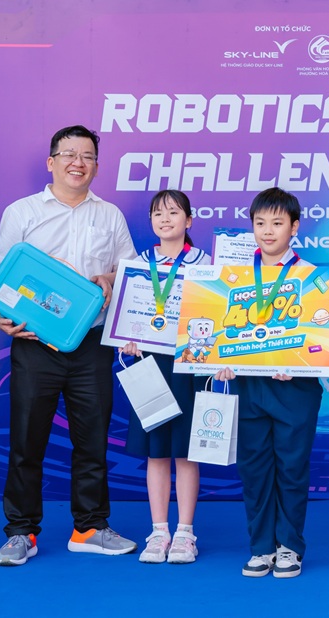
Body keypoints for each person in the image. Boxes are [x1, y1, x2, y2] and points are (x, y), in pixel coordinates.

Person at [0, 125, 138, 566]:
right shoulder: (22, 212)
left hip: (92, 343)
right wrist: (2, 315)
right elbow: (3, 274)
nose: (79, 163)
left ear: (96, 165)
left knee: (93, 440)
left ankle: (89, 527)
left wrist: (108, 278)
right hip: (36, 344)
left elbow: (127, 271)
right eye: (70, 154)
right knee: (26, 441)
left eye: (88, 156)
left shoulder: (109, 215)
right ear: (51, 161)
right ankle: (21, 531)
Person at [213, 187, 323, 579]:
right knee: (254, 469)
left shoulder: (312, 277)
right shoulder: (233, 277)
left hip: (295, 390)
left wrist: (301, 364)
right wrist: (219, 362)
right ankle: (261, 547)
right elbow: (215, 330)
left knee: (291, 468)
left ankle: (289, 546)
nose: (268, 231)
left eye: (277, 223)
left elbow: (323, 337)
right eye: (260, 223)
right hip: (249, 387)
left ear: (295, 227)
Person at [118, 190, 210, 564]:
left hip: (190, 364)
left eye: (173, 212)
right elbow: (127, 315)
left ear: (189, 220)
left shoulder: (206, 265)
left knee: (186, 452)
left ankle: (185, 533)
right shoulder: (138, 265)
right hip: (151, 364)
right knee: (156, 452)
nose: (165, 219)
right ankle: (159, 532)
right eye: (158, 213)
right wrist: (127, 339)